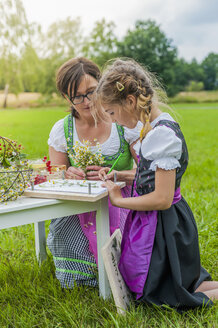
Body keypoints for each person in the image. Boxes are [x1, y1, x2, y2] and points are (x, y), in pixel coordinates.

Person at [95, 58, 218, 309]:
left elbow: (161, 198)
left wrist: (118, 199)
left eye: (112, 113)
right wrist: (120, 176)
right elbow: (150, 176)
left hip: (165, 227)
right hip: (165, 222)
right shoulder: (153, 129)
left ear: (130, 102)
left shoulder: (161, 135)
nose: (114, 121)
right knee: (182, 283)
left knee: (170, 295)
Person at [47, 57, 141, 289]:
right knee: (63, 230)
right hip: (81, 204)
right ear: (66, 97)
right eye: (76, 96)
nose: (86, 101)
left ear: (101, 84)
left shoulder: (123, 120)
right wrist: (68, 174)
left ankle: (122, 274)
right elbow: (55, 176)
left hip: (121, 197)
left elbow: (146, 172)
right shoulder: (62, 129)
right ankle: (85, 276)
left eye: (91, 91)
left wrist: (117, 174)